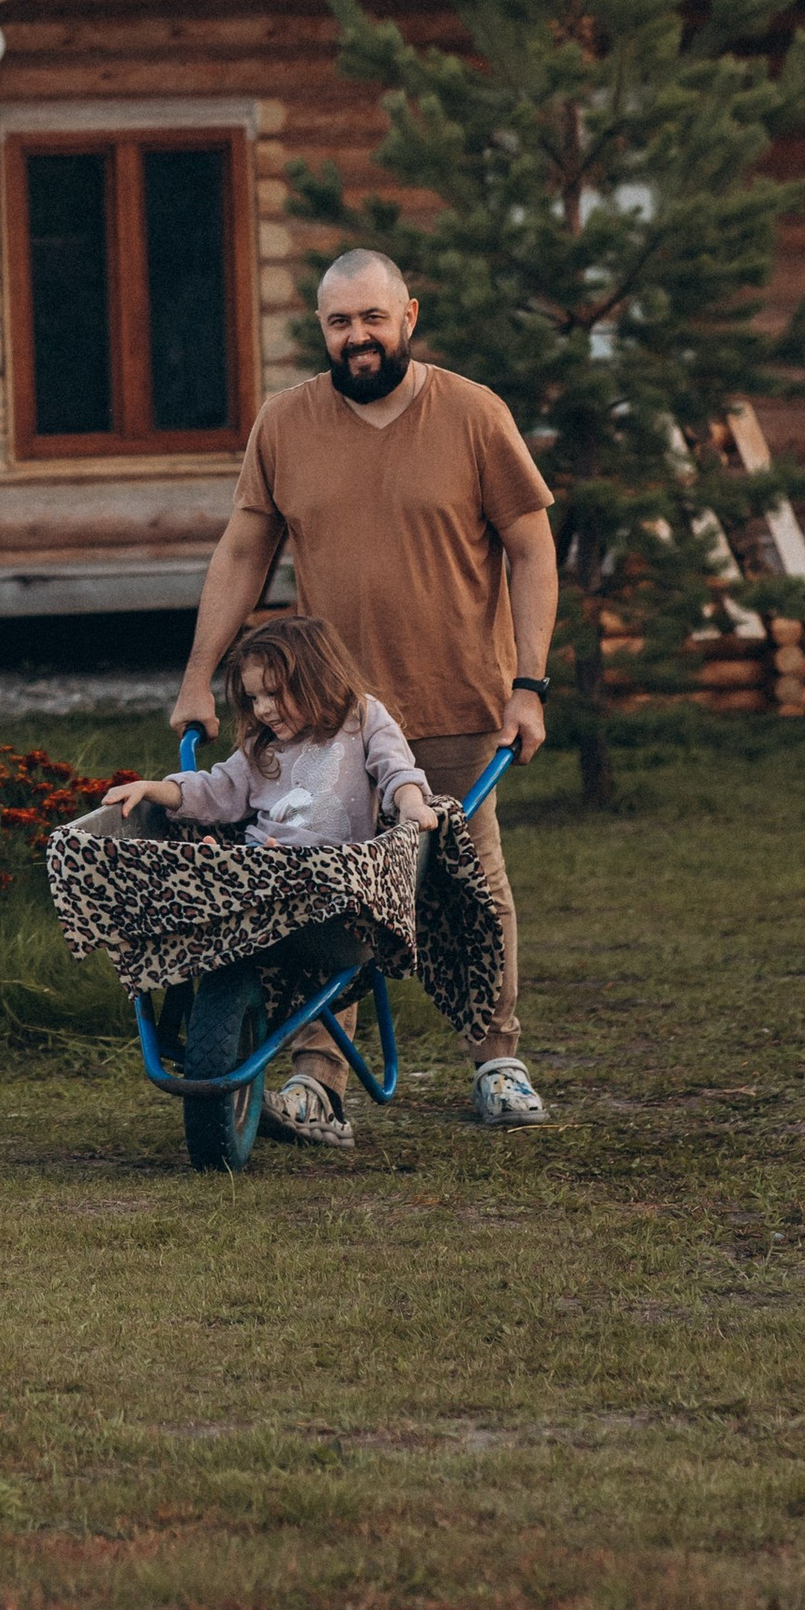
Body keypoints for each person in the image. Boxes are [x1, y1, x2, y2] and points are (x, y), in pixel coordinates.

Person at [172, 247, 556, 1135]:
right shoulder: (287, 424)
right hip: (327, 717)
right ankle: (316, 1074)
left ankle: (497, 1058)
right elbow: (241, 553)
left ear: (408, 318)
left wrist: (528, 685)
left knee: (472, 886)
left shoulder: (471, 415)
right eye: (340, 322)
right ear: (323, 328)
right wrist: (198, 679)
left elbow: (532, 548)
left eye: (374, 318)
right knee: (327, 891)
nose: (358, 338)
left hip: (459, 696)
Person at [105, 612, 441, 1151]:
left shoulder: (362, 720)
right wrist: (153, 789)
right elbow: (217, 790)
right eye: (254, 699)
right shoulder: (262, 746)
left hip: (332, 890)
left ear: (317, 678)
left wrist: (411, 807)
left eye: (273, 695)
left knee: (276, 870)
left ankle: (289, 1081)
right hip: (261, 878)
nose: (261, 710)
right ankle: (194, 1018)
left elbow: (396, 769)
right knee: (221, 859)